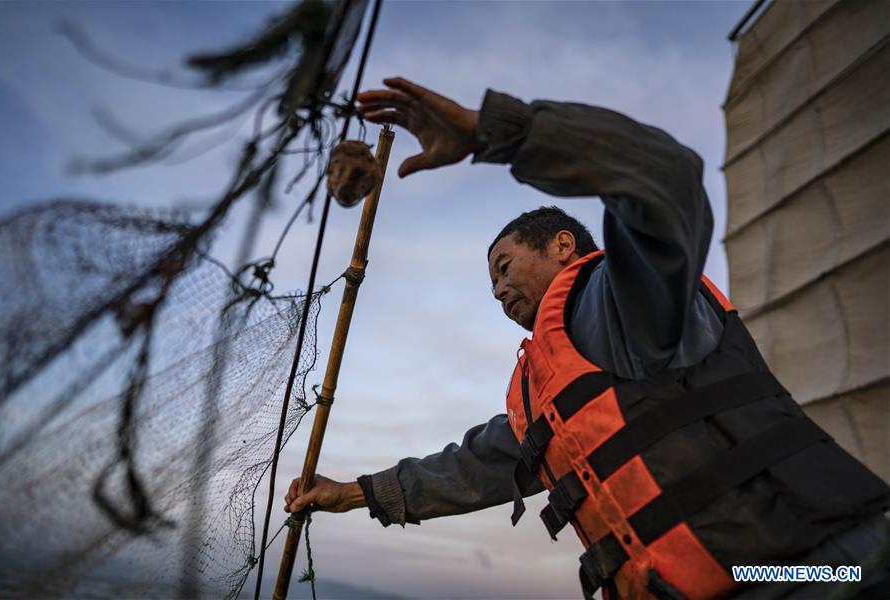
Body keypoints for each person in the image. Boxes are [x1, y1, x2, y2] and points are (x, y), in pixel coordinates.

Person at [285, 78, 890, 599]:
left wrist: (494, 132)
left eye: (503, 267)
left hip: (829, 568)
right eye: (490, 284)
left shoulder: (623, 299)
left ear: (563, 247)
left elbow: (666, 176)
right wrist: (356, 493)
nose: (497, 292)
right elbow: (475, 465)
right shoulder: (542, 389)